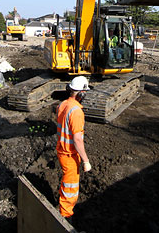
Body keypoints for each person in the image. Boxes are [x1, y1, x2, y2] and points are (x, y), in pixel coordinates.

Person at [56, 76, 92, 222]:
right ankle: (65, 215)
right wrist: (86, 161)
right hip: (70, 153)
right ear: (81, 93)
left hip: (61, 149)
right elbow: (77, 140)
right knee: (71, 186)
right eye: (85, 92)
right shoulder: (76, 111)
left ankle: (63, 206)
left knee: (66, 181)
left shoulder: (63, 104)